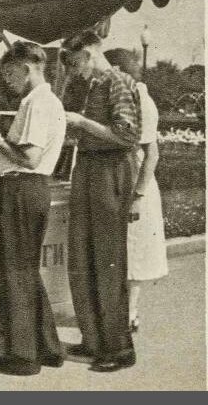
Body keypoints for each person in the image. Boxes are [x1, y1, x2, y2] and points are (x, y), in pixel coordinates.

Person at [0, 42, 67, 376]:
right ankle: (47, 346)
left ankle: (23, 355)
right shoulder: (47, 101)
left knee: (15, 271)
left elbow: (30, 157)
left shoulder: (37, 102)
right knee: (27, 270)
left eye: (9, 73)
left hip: (21, 187)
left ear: (26, 68)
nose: (7, 81)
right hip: (31, 189)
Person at [60, 31, 141, 373]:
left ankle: (119, 348)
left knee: (108, 261)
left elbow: (126, 134)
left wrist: (82, 122)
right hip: (89, 168)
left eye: (76, 63)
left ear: (90, 53)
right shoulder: (93, 86)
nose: (75, 70)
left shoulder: (117, 82)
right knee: (82, 256)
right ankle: (94, 339)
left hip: (110, 170)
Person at [103, 48, 168, 333]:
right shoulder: (122, 95)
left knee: (135, 249)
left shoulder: (140, 98)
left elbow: (152, 154)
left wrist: (138, 197)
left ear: (118, 69)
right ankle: (121, 311)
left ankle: (129, 313)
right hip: (123, 179)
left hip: (138, 184)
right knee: (124, 249)